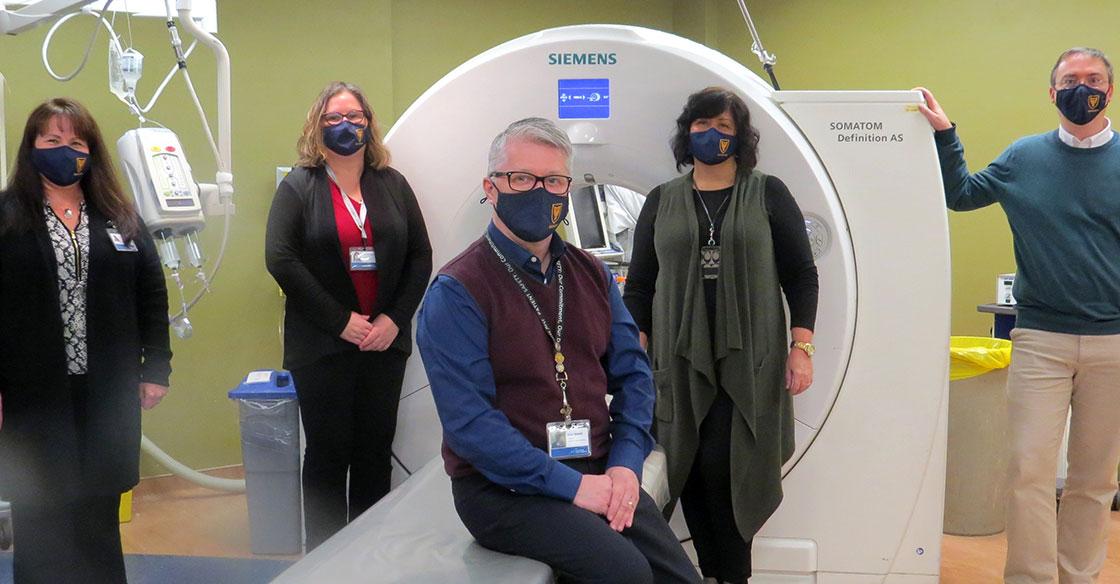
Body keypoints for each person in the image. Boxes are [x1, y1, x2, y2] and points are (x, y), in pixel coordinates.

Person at [417, 117, 699, 584]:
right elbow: (472, 427)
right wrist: (574, 488)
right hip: (500, 488)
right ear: (492, 187)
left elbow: (634, 376)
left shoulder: (592, 274)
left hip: (596, 466)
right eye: (522, 178)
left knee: (679, 577)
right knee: (624, 573)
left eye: (553, 181)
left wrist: (626, 467)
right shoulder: (458, 290)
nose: (540, 192)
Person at [918, 47, 1120, 584]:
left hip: (1113, 344)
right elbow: (960, 194)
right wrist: (944, 134)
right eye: (1071, 80)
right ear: (1052, 93)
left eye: (1094, 79)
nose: (1083, 88)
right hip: (1040, 341)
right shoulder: (1024, 157)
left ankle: (1079, 576)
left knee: (1094, 479)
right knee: (1029, 472)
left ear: (1110, 90)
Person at [623, 87, 819, 584]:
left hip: (750, 363)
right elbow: (640, 284)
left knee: (730, 472)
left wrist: (802, 348)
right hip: (676, 362)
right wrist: (632, 353)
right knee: (685, 470)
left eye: (724, 127)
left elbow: (801, 274)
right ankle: (709, 576)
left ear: (741, 137)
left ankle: (731, 576)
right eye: (702, 125)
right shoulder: (661, 201)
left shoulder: (767, 192)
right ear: (687, 132)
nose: (712, 135)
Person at [0, 98, 171, 583]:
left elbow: (151, 295)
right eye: (51, 140)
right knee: (41, 512)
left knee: (98, 511)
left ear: (92, 151)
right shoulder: (6, 215)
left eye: (76, 142)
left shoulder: (120, 217)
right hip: (34, 394)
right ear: (31, 147)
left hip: (108, 393)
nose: (64, 150)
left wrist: (155, 368)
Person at [265, 81, 432, 550]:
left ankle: (368, 554)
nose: (346, 126)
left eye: (355, 117)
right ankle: (324, 558)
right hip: (322, 346)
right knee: (326, 454)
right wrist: (341, 321)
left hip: (384, 343)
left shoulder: (392, 184)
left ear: (368, 124)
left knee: (374, 451)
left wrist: (393, 320)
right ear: (318, 125)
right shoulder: (299, 186)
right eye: (334, 118)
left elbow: (421, 255)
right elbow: (281, 259)